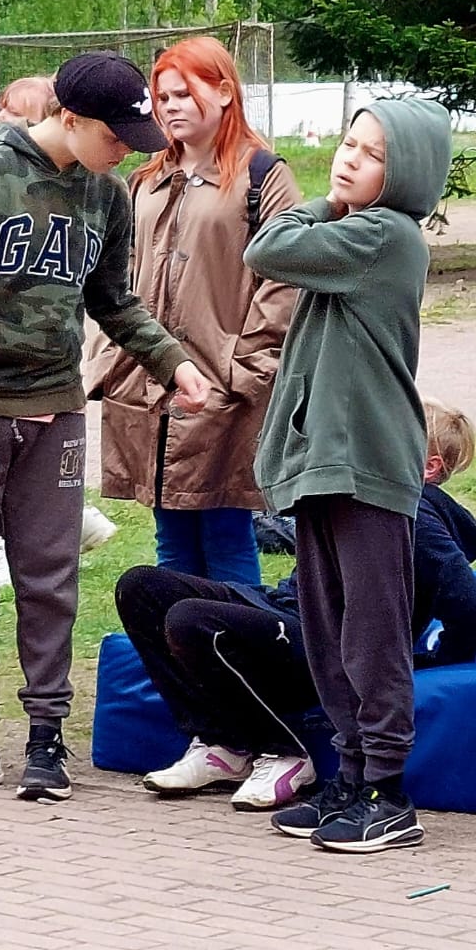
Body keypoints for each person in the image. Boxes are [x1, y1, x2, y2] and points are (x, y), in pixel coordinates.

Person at [0, 52, 212, 802]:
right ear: (70, 118)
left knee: (50, 580)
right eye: (115, 136)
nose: (126, 151)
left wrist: (174, 363)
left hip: (54, 411)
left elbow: (115, 300)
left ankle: (47, 733)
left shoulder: (105, 194)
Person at [247, 98, 452, 853]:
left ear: (406, 176)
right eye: (348, 144)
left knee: (370, 631)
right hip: (326, 461)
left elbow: (269, 246)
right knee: (330, 628)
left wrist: (326, 204)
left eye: (372, 155)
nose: (348, 159)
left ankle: (387, 794)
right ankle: (352, 774)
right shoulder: (358, 232)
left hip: (366, 461)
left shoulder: (383, 233)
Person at [118, 399, 476, 813]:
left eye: (383, 439)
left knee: (191, 620)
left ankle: (283, 752)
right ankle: (223, 744)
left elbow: (466, 604)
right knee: (140, 587)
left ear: (427, 468)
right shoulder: (358, 489)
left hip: (323, 643)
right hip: (285, 608)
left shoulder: (417, 511)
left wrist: (429, 659)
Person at [85, 37, 301, 584]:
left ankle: (241, 637)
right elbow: (116, 275)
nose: (171, 107)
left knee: (226, 531)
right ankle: (176, 639)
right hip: (150, 383)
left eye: (184, 93)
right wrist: (113, 360)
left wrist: (245, 368)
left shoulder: (262, 175)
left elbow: (285, 280)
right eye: (162, 97)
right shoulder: (146, 178)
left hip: (226, 384)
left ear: (224, 91)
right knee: (172, 535)